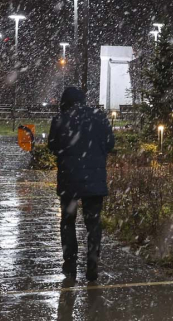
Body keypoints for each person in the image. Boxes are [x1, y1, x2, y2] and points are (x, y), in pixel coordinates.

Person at [49, 86, 115, 281]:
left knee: (68, 223)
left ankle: (70, 264)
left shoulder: (61, 119)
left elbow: (53, 146)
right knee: (93, 224)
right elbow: (110, 143)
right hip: (94, 181)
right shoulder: (99, 117)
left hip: (69, 181)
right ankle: (92, 264)